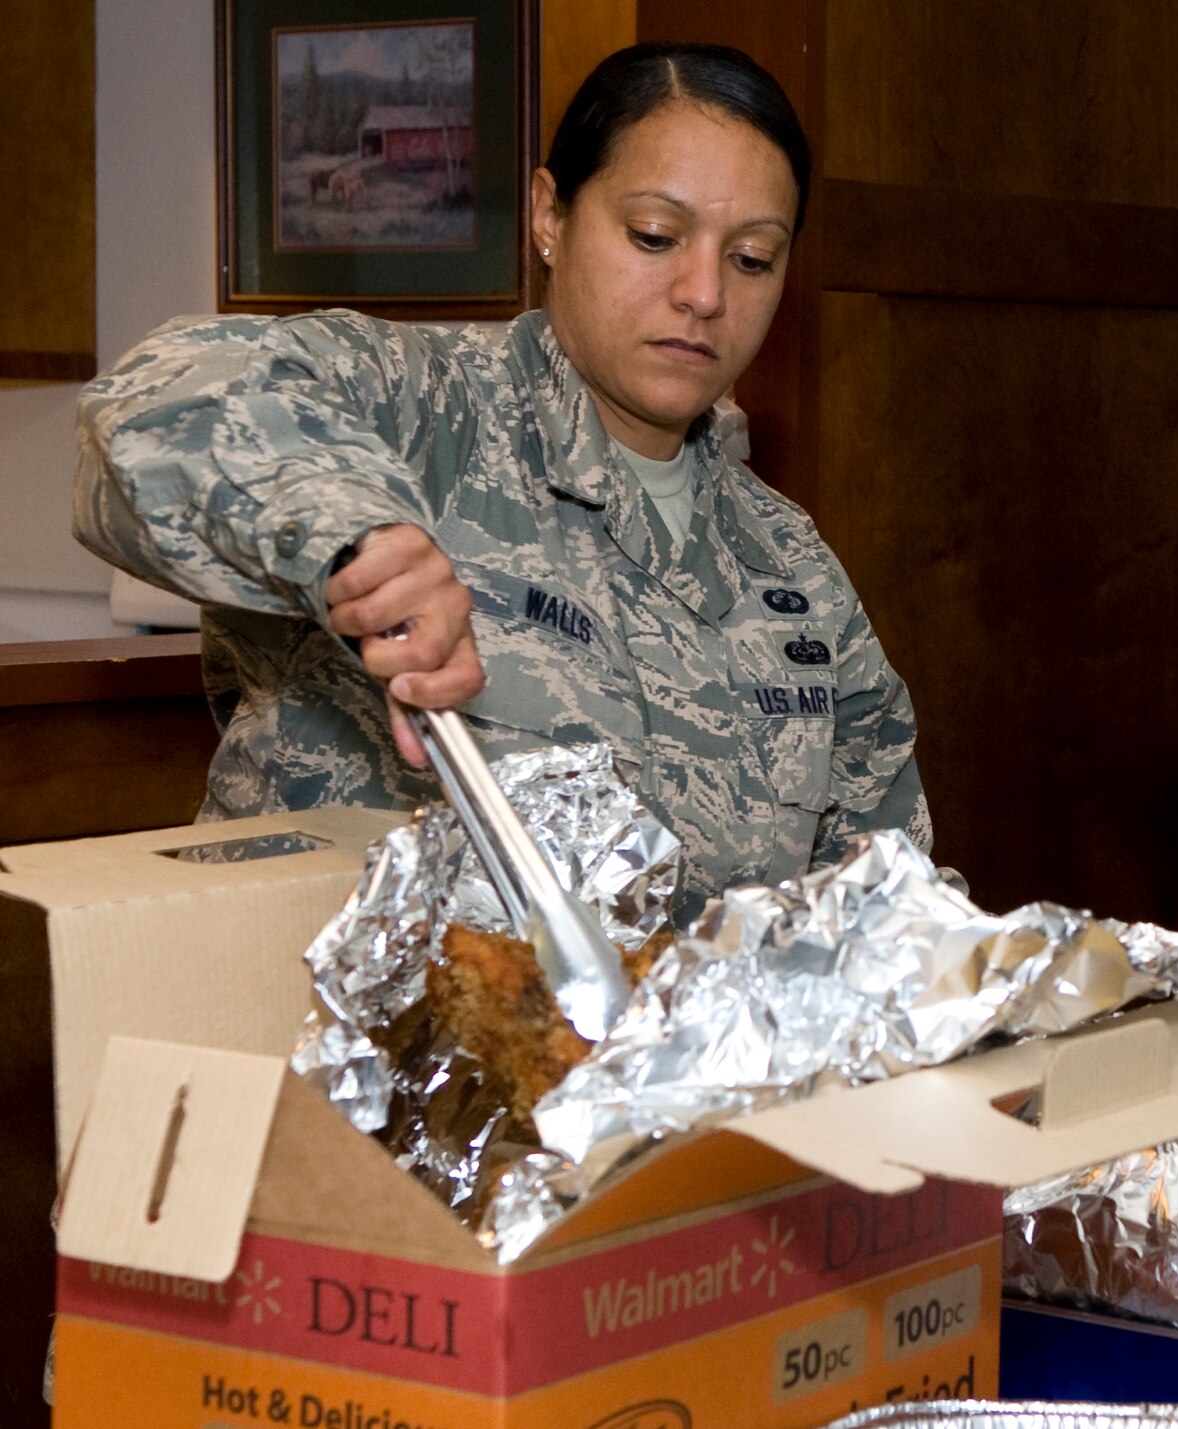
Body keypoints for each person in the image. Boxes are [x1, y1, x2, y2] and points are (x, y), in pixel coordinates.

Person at [73, 43, 933, 916]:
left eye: (752, 257)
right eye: (654, 237)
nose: (704, 293)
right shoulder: (421, 411)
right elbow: (160, 399)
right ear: (550, 216)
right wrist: (352, 540)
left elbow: (888, 895)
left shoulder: (790, 568)